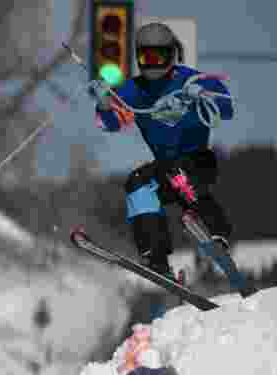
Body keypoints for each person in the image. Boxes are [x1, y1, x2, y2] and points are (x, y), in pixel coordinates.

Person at [90, 22, 235, 278]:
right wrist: (103, 103)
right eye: (147, 57)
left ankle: (216, 231)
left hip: (197, 163)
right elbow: (107, 123)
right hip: (166, 168)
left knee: (177, 172)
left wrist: (203, 94)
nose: (153, 64)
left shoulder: (189, 79)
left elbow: (227, 108)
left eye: (159, 56)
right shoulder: (135, 91)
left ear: (171, 54)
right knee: (137, 183)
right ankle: (154, 255)